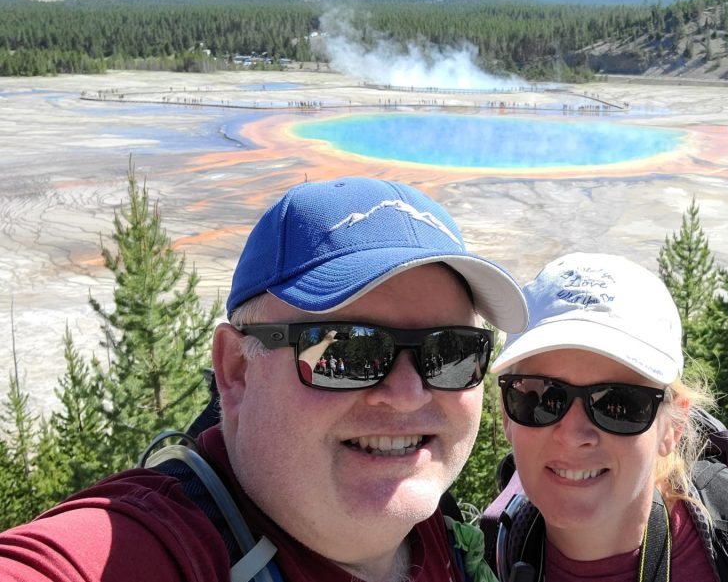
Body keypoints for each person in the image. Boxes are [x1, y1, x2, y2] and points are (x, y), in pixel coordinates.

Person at [0, 176, 528, 582]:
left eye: (452, 353)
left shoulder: (450, 540)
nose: (410, 392)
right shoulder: (150, 550)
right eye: (345, 351)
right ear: (236, 370)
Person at [489, 252, 728, 582]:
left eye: (618, 404)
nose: (573, 433)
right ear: (508, 415)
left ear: (673, 425)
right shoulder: (475, 559)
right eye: (541, 398)